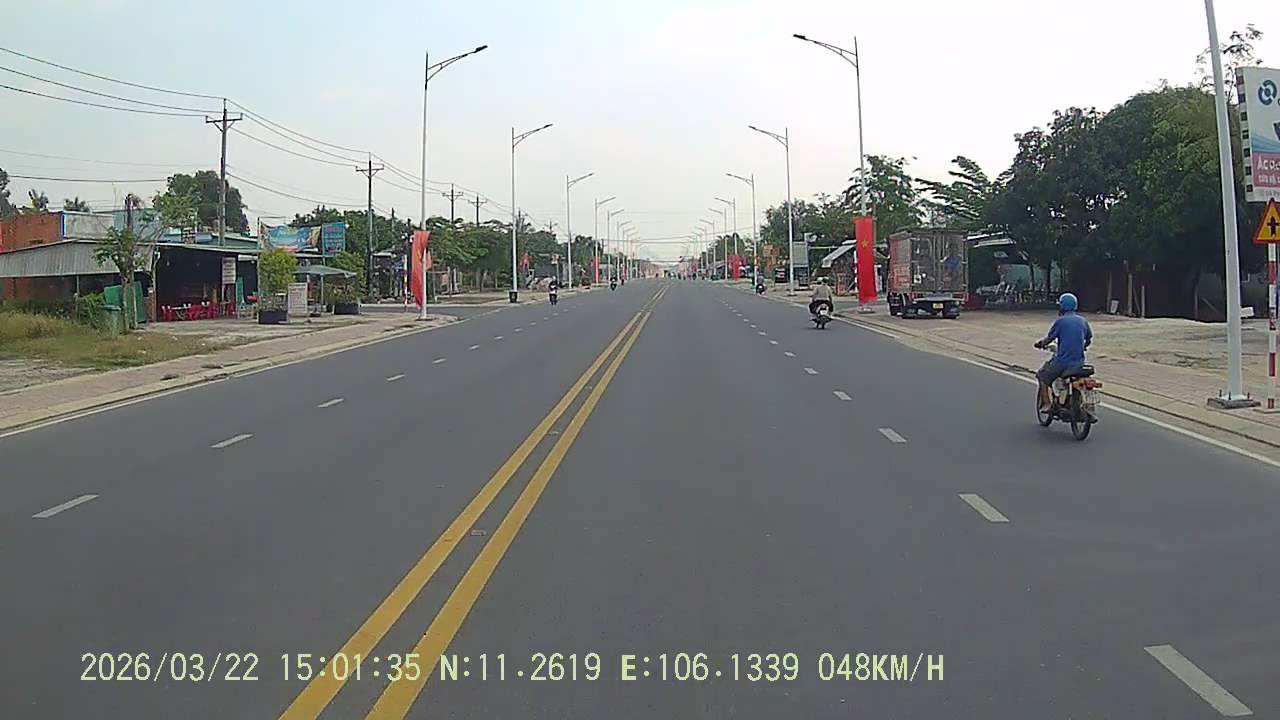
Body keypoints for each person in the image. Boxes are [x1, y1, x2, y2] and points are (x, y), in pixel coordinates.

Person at [1034, 292, 1092, 411]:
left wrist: (1040, 344)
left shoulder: (1060, 321)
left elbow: (1049, 339)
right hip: (1079, 362)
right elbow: (1088, 339)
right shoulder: (1083, 321)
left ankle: (1047, 404)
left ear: (1062, 306)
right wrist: (1083, 346)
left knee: (1042, 376)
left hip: (1062, 362)